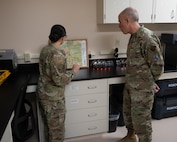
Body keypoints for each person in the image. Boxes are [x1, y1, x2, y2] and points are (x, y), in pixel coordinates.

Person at [118, 7, 164, 142]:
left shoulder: (147, 38)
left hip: (142, 90)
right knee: (128, 114)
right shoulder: (133, 37)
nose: (119, 25)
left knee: (142, 121)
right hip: (131, 85)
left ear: (127, 20)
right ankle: (131, 136)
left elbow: (158, 65)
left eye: (120, 22)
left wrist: (150, 82)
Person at [37, 24, 80, 142]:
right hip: (53, 99)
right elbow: (59, 80)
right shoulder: (57, 55)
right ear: (63, 38)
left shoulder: (45, 49)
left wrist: (61, 54)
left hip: (43, 94)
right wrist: (73, 72)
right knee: (57, 131)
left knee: (49, 128)